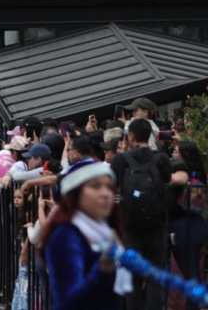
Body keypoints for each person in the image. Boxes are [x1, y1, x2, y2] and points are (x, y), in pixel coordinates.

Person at [42, 158, 130, 310]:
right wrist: (103, 270)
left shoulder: (107, 230)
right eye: (96, 186)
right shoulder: (65, 236)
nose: (105, 193)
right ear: (75, 193)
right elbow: (69, 301)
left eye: (109, 187)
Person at [110, 117, 171, 310]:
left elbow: (112, 186)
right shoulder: (161, 158)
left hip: (131, 226)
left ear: (131, 136)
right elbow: (167, 181)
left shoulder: (121, 160)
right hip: (156, 225)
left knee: (133, 279)